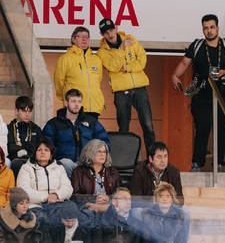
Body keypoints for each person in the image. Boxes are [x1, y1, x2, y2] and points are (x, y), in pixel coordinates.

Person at [170, 14, 225, 172]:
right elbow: (184, 62)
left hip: (224, 91)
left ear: (217, 28)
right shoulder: (196, 46)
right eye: (206, 28)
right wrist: (175, 76)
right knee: (203, 126)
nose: (209, 31)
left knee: (223, 128)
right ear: (203, 30)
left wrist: (224, 72)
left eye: (212, 27)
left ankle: (219, 163)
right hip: (202, 91)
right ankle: (197, 163)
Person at [97, 18, 155, 156]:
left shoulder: (130, 39)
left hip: (140, 88)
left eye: (111, 30)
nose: (110, 34)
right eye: (106, 33)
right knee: (123, 128)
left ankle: (152, 159)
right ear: (101, 34)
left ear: (116, 28)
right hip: (121, 92)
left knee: (148, 125)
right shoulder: (102, 52)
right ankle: (124, 162)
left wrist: (128, 67)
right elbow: (113, 66)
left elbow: (142, 59)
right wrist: (122, 49)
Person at [43, 89, 110, 177]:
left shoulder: (91, 122)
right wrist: (56, 156)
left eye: (79, 101)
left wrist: (96, 157)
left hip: (87, 163)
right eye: (73, 101)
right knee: (65, 163)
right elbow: (46, 144)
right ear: (66, 103)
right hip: (64, 164)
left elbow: (104, 142)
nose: (77, 104)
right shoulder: (54, 123)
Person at [54, 26, 104, 119]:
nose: (84, 40)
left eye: (87, 37)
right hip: (74, 107)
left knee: (90, 133)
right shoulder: (65, 58)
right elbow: (59, 82)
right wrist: (67, 99)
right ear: (73, 39)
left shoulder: (96, 59)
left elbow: (98, 80)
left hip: (94, 106)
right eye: (80, 37)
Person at [16, 138, 73, 208]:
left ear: (51, 156)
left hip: (58, 203)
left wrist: (56, 195)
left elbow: (67, 188)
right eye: (39, 150)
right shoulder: (26, 168)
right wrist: (47, 197)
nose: (42, 152)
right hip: (36, 206)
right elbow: (23, 191)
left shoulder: (59, 168)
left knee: (72, 209)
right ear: (35, 154)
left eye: (46, 150)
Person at [71, 139, 121, 213]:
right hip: (88, 207)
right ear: (90, 153)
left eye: (104, 152)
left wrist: (109, 198)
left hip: (109, 207)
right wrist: (94, 198)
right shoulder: (78, 172)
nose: (102, 154)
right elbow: (74, 196)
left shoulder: (112, 172)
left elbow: (121, 193)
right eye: (99, 151)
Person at [130, 141, 183, 206]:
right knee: (137, 212)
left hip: (167, 208)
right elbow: (136, 199)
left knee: (185, 213)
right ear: (150, 159)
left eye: (165, 156)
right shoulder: (140, 171)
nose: (163, 160)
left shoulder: (174, 172)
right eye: (159, 157)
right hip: (147, 209)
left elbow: (180, 199)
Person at [7, 96, 42, 179]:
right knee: (17, 163)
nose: (27, 114)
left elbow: (39, 146)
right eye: (24, 111)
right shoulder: (9, 128)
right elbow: (9, 147)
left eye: (30, 111)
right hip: (16, 160)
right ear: (16, 111)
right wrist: (24, 148)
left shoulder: (35, 128)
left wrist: (22, 147)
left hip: (33, 159)